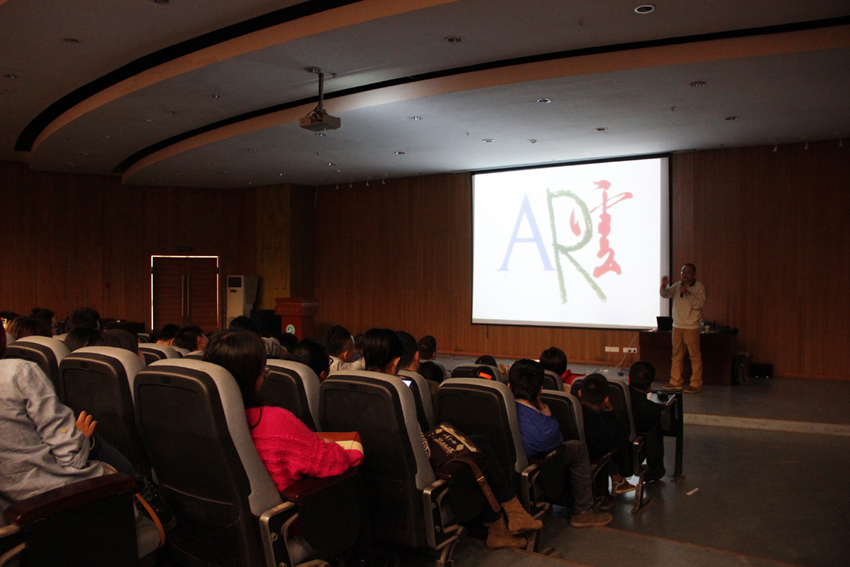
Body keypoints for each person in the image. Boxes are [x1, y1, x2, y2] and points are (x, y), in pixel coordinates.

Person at [362, 328, 542, 549]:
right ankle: (506, 519)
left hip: (379, 469)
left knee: (479, 443)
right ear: (396, 361)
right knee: (475, 455)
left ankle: (508, 518)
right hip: (417, 473)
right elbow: (423, 452)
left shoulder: (356, 385)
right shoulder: (397, 392)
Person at [203, 330, 356, 491]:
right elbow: (334, 463)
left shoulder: (201, 417)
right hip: (286, 504)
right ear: (254, 376)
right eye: (262, 370)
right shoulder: (274, 421)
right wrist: (329, 444)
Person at [508, 360, 613, 527]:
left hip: (508, 469)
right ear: (540, 389)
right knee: (578, 448)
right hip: (535, 468)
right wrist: (545, 411)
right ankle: (583, 511)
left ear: (508, 386)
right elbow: (556, 443)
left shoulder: (497, 406)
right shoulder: (544, 428)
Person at [578, 374, 635, 505]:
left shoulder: (571, 411)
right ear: (606, 398)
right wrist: (610, 412)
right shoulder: (604, 426)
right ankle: (616, 480)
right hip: (596, 457)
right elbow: (615, 440)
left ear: (580, 393)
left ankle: (617, 478)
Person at [660, 263, 707, 393]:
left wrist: (687, 293)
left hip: (691, 326)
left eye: (688, 272)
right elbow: (666, 294)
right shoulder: (677, 285)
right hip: (677, 326)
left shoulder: (698, 287)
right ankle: (675, 382)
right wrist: (663, 285)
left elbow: (699, 304)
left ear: (694, 274)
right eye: (683, 272)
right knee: (676, 355)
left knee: (694, 356)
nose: (685, 275)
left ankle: (696, 384)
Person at [628, 361, 665, 481]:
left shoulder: (613, 399)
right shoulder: (652, 410)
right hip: (630, 456)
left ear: (628, 379)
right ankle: (655, 469)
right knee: (654, 432)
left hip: (611, 454)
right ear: (651, 385)